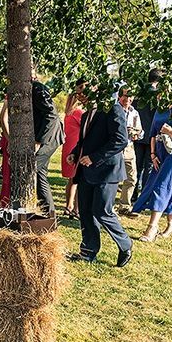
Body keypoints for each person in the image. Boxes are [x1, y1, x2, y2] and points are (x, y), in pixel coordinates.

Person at [66, 83, 133, 267]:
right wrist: (75, 152)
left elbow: (120, 140)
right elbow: (85, 141)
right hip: (87, 171)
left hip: (107, 171)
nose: (79, 96)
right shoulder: (87, 114)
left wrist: (94, 158)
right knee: (85, 211)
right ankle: (88, 251)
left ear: (94, 88)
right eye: (77, 92)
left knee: (102, 211)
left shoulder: (113, 108)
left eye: (81, 92)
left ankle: (126, 244)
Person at [132, 104, 172, 242]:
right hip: (160, 151)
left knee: (163, 185)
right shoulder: (159, 110)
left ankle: (152, 227)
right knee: (166, 184)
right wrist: (153, 154)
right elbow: (153, 134)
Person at [32, 76, 65, 214]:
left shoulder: (37, 89)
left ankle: (45, 212)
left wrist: (39, 141)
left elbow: (51, 115)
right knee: (40, 174)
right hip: (48, 136)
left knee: (32, 168)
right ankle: (48, 212)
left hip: (49, 137)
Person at [132, 69, 161, 202]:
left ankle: (133, 193)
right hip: (152, 136)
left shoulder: (139, 94)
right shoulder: (158, 97)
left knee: (137, 166)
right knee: (148, 166)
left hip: (138, 134)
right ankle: (144, 194)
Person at [115, 86, 143, 215]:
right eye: (125, 96)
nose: (128, 99)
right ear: (119, 97)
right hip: (115, 148)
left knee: (132, 178)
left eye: (130, 96)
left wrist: (136, 133)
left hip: (129, 148)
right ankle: (108, 206)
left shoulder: (134, 112)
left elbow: (140, 132)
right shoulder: (114, 110)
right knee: (113, 178)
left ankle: (124, 206)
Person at [61, 81, 84, 219]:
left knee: (72, 180)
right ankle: (76, 208)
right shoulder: (78, 113)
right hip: (76, 146)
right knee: (78, 179)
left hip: (68, 146)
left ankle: (69, 206)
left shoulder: (68, 113)